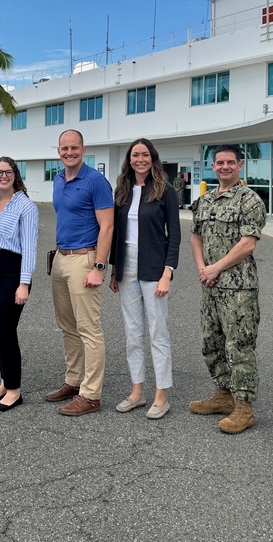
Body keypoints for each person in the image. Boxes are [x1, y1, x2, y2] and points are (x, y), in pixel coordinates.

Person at [190, 144, 267, 434]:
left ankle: (244, 407)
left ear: (240, 165)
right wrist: (202, 268)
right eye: (219, 162)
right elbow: (196, 237)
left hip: (238, 288)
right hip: (210, 285)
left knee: (239, 346)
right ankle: (224, 396)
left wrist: (215, 268)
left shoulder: (249, 200)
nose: (224, 167)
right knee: (211, 342)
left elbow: (248, 243)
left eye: (230, 162)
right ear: (213, 166)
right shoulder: (205, 200)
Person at [109, 139, 181, 420]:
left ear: (152, 158)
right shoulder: (123, 191)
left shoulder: (166, 191)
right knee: (132, 332)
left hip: (154, 268)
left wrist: (168, 272)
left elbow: (174, 234)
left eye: (145, 154)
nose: (140, 159)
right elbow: (117, 234)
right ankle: (137, 391)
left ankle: (161, 395)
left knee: (157, 333)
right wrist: (115, 270)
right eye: (135, 155)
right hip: (126, 267)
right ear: (129, 159)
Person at [46, 129, 114, 416]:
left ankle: (91, 394)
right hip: (61, 258)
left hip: (85, 259)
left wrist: (99, 267)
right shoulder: (59, 179)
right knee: (67, 326)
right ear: (59, 151)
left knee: (89, 329)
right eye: (64, 148)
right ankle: (74, 381)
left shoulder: (96, 182)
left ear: (84, 150)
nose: (69, 152)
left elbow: (107, 227)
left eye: (74, 148)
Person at [0, 156, 39, 413]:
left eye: (8, 171)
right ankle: (5, 381)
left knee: (5, 330)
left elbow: (30, 249)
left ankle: (15, 390)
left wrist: (24, 284)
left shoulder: (26, 207)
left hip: (12, 273)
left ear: (16, 175)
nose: (3, 175)